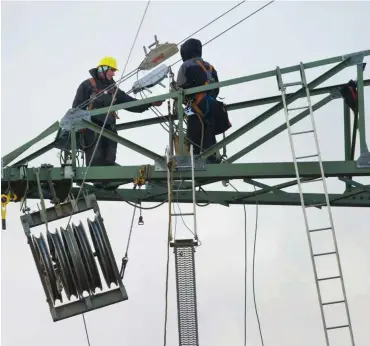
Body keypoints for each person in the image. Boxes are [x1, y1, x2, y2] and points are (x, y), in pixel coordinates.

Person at [72, 56, 162, 169]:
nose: (114, 74)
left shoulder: (113, 89)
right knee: (95, 161)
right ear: (103, 68)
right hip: (92, 129)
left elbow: (129, 102)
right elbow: (76, 108)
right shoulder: (88, 85)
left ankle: (106, 183)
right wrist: (80, 125)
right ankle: (98, 182)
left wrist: (150, 103)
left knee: (109, 160)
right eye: (112, 70)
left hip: (109, 129)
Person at [175, 38, 231, 163]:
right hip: (212, 104)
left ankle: (194, 157)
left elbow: (180, 87)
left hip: (194, 105)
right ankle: (212, 156)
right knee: (208, 129)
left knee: (193, 129)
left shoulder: (185, 66)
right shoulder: (210, 67)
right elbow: (216, 88)